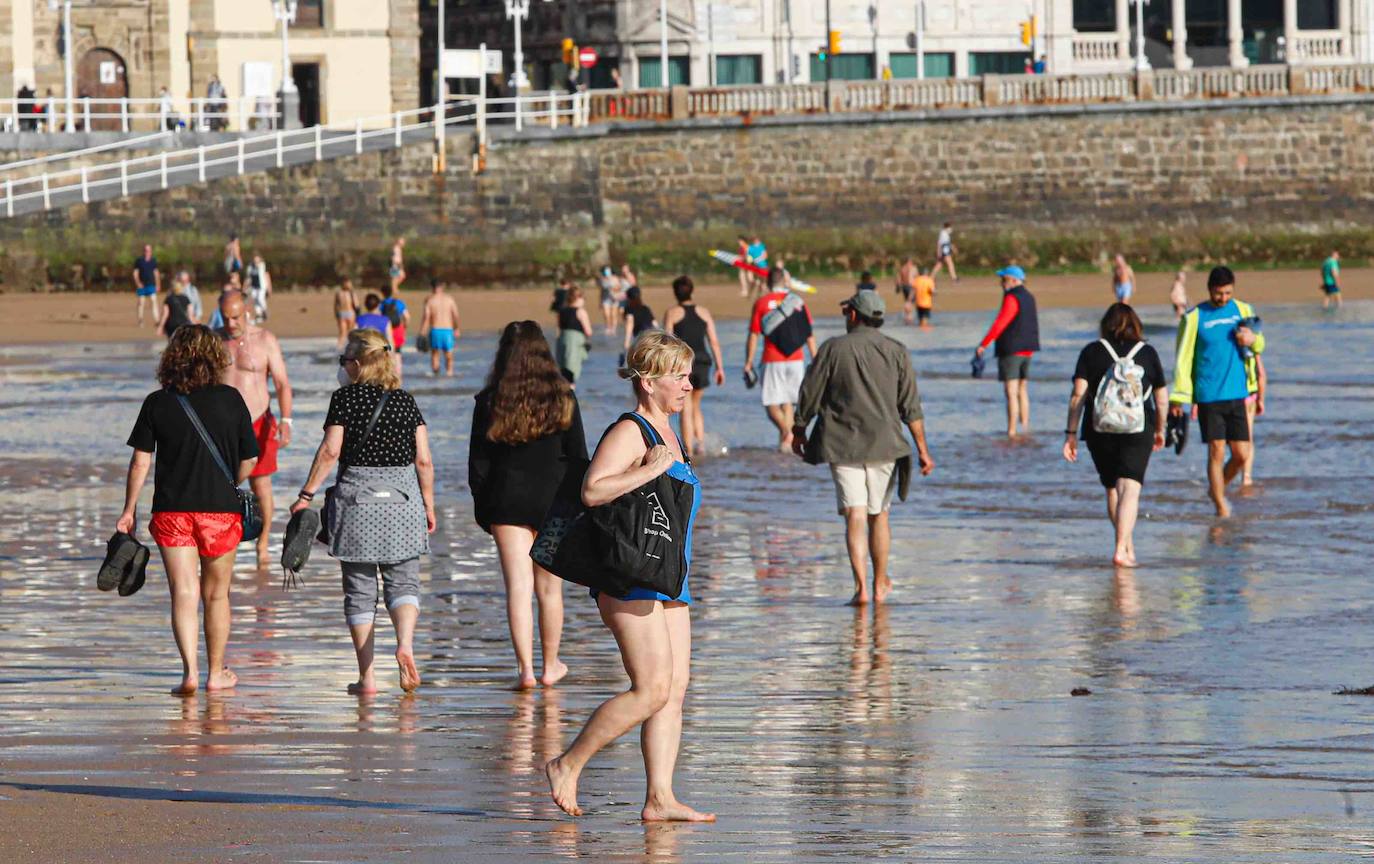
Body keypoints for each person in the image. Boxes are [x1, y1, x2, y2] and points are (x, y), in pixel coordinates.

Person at [544, 331, 714, 824]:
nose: (688, 383)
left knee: (675, 689)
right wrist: (649, 468)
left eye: (687, 373)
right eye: (678, 375)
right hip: (631, 572)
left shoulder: (671, 433)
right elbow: (593, 491)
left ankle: (660, 797)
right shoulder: (631, 431)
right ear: (648, 381)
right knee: (651, 689)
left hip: (670, 577)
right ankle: (566, 763)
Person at [291, 328, 433, 695]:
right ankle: (404, 644)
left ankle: (367, 679)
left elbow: (329, 451)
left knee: (359, 591)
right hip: (403, 502)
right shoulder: (405, 401)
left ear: (356, 364)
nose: (343, 368)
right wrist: (428, 506)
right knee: (403, 583)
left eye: (344, 362)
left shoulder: (344, 399)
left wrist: (306, 495)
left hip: (357, 503)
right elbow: (424, 460)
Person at [118, 325, 259, 695]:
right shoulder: (231, 399)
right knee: (217, 595)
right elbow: (250, 460)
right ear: (215, 358)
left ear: (172, 358)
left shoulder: (157, 402)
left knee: (183, 592)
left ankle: (190, 674)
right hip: (220, 512)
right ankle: (216, 673)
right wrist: (230, 479)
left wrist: (128, 509)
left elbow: (140, 463)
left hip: (172, 512)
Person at [792, 290, 934, 605]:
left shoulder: (832, 349)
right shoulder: (897, 351)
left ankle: (861, 588)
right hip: (886, 445)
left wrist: (798, 431)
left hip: (841, 443)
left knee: (855, 515)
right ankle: (880, 582)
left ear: (854, 315)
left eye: (847, 312)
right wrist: (923, 450)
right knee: (879, 515)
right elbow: (911, 408)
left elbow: (809, 395)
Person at [470, 322, 587, 689]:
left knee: (518, 589)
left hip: (506, 501)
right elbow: (579, 458)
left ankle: (525, 670)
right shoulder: (564, 398)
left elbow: (479, 465)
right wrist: (577, 506)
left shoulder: (489, 400)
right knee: (549, 590)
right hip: (554, 503)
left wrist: (483, 511)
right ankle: (550, 665)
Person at [1062, 304, 1168, 567]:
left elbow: (1078, 395)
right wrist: (1160, 428)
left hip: (1099, 428)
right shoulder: (1148, 352)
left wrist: (1071, 433)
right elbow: (1161, 397)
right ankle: (1122, 548)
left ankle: (1125, 545)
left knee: (1112, 488)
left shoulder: (1091, 351)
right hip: (1138, 427)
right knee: (1129, 488)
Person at [1169, 266, 1265, 518]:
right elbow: (1183, 360)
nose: (1223, 298)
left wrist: (1252, 340)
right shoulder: (1194, 317)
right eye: (1218, 293)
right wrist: (1179, 398)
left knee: (1242, 455)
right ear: (1209, 289)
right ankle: (1220, 505)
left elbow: (1261, 343)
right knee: (1216, 450)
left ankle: (1216, 488)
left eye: (1227, 293)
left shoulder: (1244, 310)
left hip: (1238, 393)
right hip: (1208, 395)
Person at [217, 292, 293, 567]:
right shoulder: (215, 340)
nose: (231, 323)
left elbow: (282, 383)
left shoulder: (264, 340)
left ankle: (262, 544)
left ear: (247, 311)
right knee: (222, 484)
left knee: (261, 484)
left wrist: (286, 421)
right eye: (225, 317)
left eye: (236, 317)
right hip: (223, 425)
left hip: (259, 420)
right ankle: (224, 538)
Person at [744, 265, 817, 451]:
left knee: (770, 404)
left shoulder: (761, 303)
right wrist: (815, 357)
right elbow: (809, 333)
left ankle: (787, 432)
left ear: (768, 283)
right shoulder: (797, 301)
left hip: (772, 359)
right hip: (796, 359)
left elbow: (754, 335)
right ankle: (786, 445)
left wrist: (749, 362)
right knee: (788, 403)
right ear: (784, 281)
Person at [974, 265, 1040, 438]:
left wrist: (984, 344)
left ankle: (1011, 431)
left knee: (1011, 391)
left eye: (1003, 280)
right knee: (1022, 389)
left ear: (1013, 280)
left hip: (1011, 350)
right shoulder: (1029, 297)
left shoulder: (1012, 297)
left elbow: (1000, 323)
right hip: (1028, 349)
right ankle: (1025, 427)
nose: (1001, 284)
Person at [664, 275, 726, 457]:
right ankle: (700, 444)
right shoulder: (704, 312)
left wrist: (666, 369)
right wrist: (720, 368)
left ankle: (689, 451)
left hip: (684, 364)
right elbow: (714, 341)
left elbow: (667, 342)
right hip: (704, 361)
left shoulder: (672, 313)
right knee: (696, 405)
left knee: (686, 407)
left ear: (675, 293)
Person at [419, 278, 461, 377]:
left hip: (435, 329)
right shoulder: (450, 299)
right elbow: (455, 315)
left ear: (432, 287)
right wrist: (457, 328)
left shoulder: (429, 300)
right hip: (448, 330)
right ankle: (449, 374)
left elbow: (426, 317)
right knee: (449, 354)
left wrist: (422, 331)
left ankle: (436, 376)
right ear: (442, 287)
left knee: (435, 354)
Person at [555, 285, 594, 385]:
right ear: (578, 297)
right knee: (571, 372)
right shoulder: (581, 311)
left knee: (562, 370)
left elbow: (559, 328)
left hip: (562, 340)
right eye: (583, 298)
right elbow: (588, 331)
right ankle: (571, 395)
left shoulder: (561, 311)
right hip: (574, 342)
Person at [1242, 352, 1267, 486]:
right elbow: (1261, 373)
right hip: (1249, 392)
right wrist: (1261, 399)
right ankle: (1246, 476)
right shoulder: (1253, 339)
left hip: (1227, 392)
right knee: (1247, 437)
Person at [157, 274, 197, 339]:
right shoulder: (186, 298)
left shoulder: (168, 299)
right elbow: (190, 315)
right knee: (182, 342)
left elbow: (165, 314)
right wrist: (196, 325)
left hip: (171, 325)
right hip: (183, 324)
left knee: (172, 342)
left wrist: (160, 326)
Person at [622, 286, 657, 358]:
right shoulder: (646, 308)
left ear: (628, 298)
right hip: (651, 336)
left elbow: (630, 322)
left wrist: (626, 342)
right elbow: (654, 323)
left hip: (641, 337)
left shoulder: (628, 309)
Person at [132, 244, 161, 327]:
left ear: (151, 251)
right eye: (145, 250)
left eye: (149, 250)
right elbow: (135, 273)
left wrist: (158, 284)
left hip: (151, 284)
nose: (147, 252)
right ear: (143, 251)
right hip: (142, 285)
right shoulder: (139, 261)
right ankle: (140, 320)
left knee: (153, 301)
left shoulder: (153, 261)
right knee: (141, 302)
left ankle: (157, 320)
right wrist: (138, 283)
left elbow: (156, 273)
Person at [246, 253, 272, 322]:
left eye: (257, 259)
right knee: (255, 299)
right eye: (255, 259)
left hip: (262, 286)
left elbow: (267, 276)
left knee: (260, 298)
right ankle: (259, 314)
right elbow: (248, 278)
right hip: (253, 286)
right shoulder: (250, 267)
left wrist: (269, 286)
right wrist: (245, 287)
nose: (256, 261)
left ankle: (265, 311)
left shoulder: (263, 266)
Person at [597, 266, 622, 335]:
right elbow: (601, 290)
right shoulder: (602, 279)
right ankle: (608, 327)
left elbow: (619, 287)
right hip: (605, 298)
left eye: (608, 271)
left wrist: (613, 288)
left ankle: (613, 329)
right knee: (606, 314)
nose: (607, 272)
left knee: (613, 314)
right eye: (605, 271)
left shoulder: (615, 278)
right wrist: (600, 301)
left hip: (614, 298)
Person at [334, 277, 358, 348]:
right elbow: (356, 304)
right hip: (350, 313)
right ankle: (350, 347)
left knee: (342, 333)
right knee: (349, 332)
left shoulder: (339, 293)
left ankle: (339, 348)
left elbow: (336, 306)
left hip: (342, 313)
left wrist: (337, 315)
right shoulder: (351, 293)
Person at [895, 258, 917, 324]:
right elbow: (917, 277)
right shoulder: (913, 268)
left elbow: (898, 278)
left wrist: (898, 287)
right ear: (910, 262)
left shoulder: (902, 268)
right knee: (910, 302)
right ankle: (909, 318)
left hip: (904, 286)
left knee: (907, 301)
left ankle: (907, 316)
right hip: (911, 287)